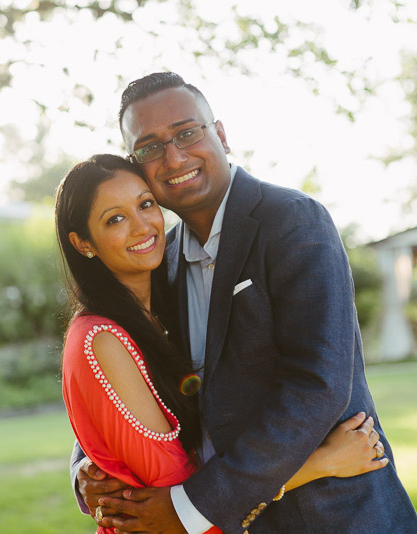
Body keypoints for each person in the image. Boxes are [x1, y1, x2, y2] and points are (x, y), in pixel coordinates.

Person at [71, 73, 417, 533]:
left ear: (221, 135)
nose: (174, 156)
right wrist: (88, 470)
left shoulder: (293, 221)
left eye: (187, 132)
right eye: (150, 147)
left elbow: (318, 385)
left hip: (332, 517)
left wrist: (191, 510)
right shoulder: (160, 258)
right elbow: (127, 369)